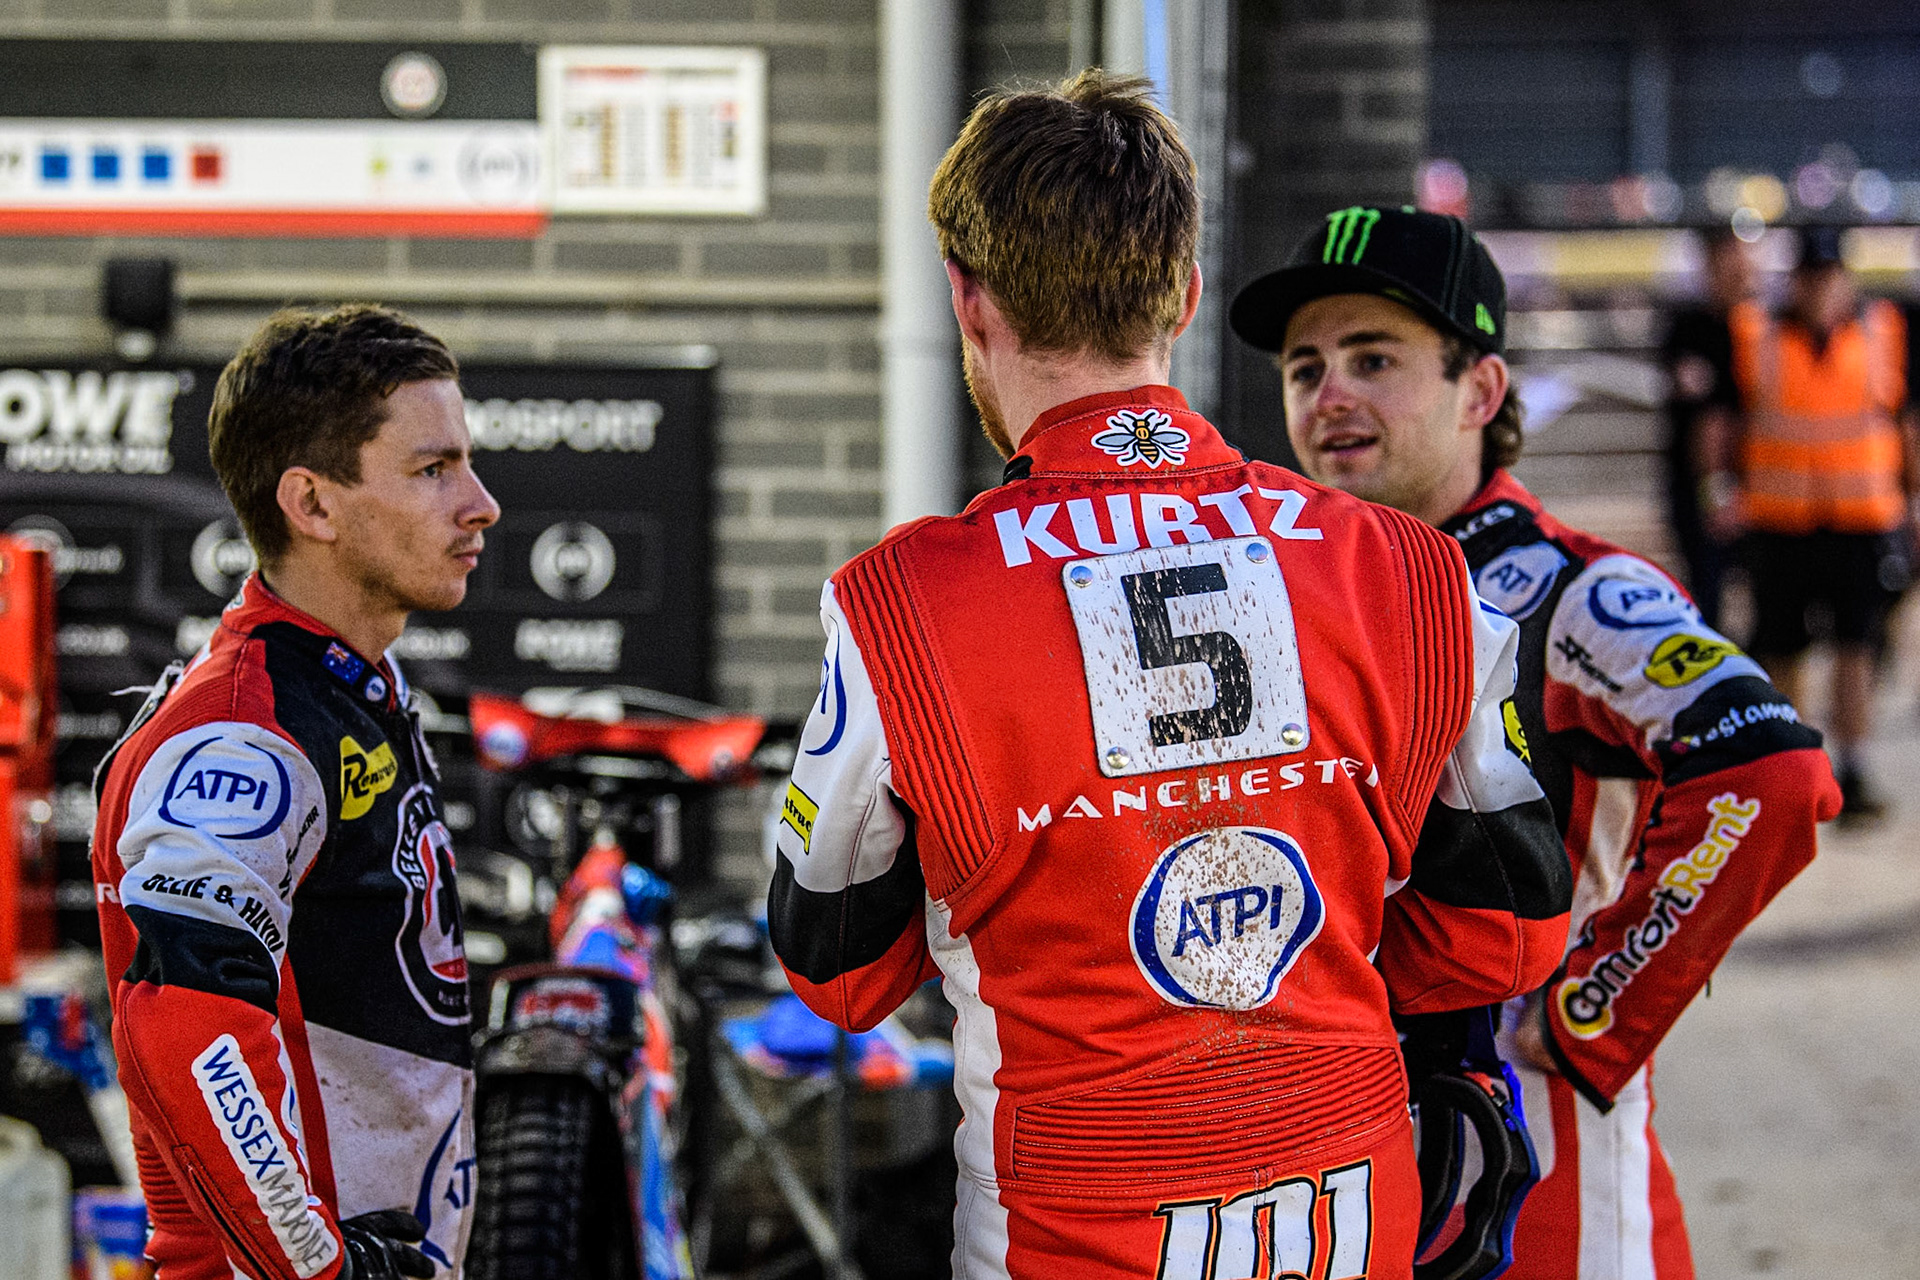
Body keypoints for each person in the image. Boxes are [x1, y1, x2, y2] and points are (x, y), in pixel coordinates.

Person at [768, 74, 1572, 1279]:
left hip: (1060, 1231)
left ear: (966, 299)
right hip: (1353, 1212)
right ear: (1185, 296)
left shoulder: (899, 603)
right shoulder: (1412, 570)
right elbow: (1512, 929)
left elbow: (833, 968)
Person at [1228, 205, 1840, 1280]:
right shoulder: (1295, 597)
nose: (1330, 397)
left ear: (1482, 390)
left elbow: (1771, 772)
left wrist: (1592, 1007)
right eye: (1305, 366)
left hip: (1550, 1188)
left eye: (1375, 357)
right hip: (1357, 1169)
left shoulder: (1575, 590)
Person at [90, 305, 501, 1279]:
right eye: (433, 469)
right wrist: (315, 1261)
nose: (480, 502)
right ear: (312, 505)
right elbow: (183, 1022)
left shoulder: (350, 684)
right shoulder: (246, 728)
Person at [1706, 225, 1917, 821]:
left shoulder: (1882, 332)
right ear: (1795, 280)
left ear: (1844, 278)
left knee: (1856, 649)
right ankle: (1793, 771)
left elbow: (1903, 422)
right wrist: (1717, 494)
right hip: (1780, 522)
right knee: (1783, 650)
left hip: (1861, 520)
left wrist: (1914, 502)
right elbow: (1723, 425)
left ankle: (1852, 768)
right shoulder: (1757, 335)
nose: (1821, 286)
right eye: (1810, 275)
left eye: (1829, 274)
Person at [1661, 229, 1757, 629]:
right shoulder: (1690, 326)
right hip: (1698, 482)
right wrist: (1714, 491)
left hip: (1754, 480)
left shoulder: (1758, 327)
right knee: (1708, 589)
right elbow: (1706, 419)